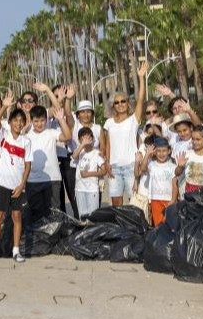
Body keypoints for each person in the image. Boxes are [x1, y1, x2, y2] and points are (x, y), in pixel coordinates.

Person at [0, 108, 32, 263]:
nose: (18, 123)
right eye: (16, 120)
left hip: (17, 186)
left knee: (17, 216)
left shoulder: (26, 141)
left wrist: (22, 185)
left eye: (21, 121)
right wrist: (5, 106)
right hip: (1, 183)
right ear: (10, 122)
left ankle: (16, 251)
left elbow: (27, 166)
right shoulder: (4, 135)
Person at [101, 59, 149, 206]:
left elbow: (141, 98)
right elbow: (108, 144)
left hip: (131, 167)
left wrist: (141, 78)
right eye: (117, 102)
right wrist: (107, 162)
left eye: (123, 101)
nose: (120, 104)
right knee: (116, 203)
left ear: (128, 103)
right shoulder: (109, 122)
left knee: (134, 202)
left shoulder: (134, 119)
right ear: (113, 106)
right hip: (114, 167)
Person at [24, 104, 68, 223]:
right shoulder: (26, 137)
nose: (39, 124)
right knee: (36, 213)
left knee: (55, 212)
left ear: (46, 120)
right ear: (31, 121)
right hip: (33, 180)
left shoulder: (51, 133)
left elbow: (67, 136)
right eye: (36, 121)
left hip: (52, 179)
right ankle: (39, 234)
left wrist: (61, 119)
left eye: (42, 120)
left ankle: (56, 234)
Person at [137, 136, 176, 227]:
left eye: (164, 151)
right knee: (158, 224)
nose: (161, 154)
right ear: (154, 152)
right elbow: (142, 168)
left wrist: (173, 200)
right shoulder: (151, 165)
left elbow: (175, 185)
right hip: (155, 199)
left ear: (169, 151)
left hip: (168, 200)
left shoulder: (172, 167)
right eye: (158, 151)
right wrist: (147, 154)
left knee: (169, 224)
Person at [72, 126, 105, 217]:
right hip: (79, 189)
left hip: (92, 189)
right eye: (83, 139)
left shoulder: (96, 153)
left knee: (93, 216)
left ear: (93, 139)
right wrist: (82, 145)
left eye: (88, 138)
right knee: (82, 216)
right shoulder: (79, 152)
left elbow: (104, 171)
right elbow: (74, 157)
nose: (86, 141)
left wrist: (88, 174)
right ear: (79, 140)